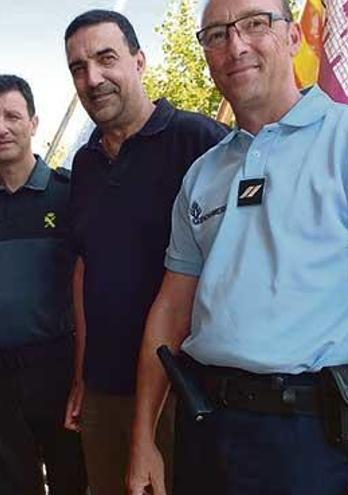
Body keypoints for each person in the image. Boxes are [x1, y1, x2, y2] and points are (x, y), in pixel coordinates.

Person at [126, 0, 348, 494]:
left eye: (254, 24)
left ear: (293, 38)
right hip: (203, 427)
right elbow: (170, 310)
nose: (236, 44)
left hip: (305, 441)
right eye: (217, 35)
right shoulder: (203, 174)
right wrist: (144, 438)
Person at [62, 9, 228, 495]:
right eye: (77, 67)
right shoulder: (86, 162)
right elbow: (85, 270)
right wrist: (81, 376)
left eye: (105, 58)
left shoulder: (201, 144)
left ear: (139, 61)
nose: (92, 78)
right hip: (106, 392)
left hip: (187, 390)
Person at [0, 75, 87, 495]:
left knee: (73, 483)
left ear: (34, 123)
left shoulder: (69, 193)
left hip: (61, 372)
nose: (0, 128)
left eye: (11, 116)